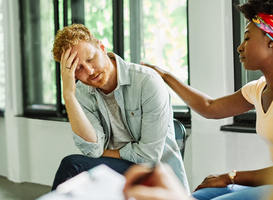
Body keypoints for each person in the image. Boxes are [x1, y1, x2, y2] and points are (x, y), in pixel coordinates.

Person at [140, 0, 273, 199]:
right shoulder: (257, 89)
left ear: (271, 41)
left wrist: (230, 177)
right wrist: (165, 76)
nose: (240, 48)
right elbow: (209, 107)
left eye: (247, 38)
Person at [50, 24, 189, 192]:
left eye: (90, 58)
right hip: (113, 170)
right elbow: (93, 150)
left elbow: (149, 157)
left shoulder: (147, 82)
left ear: (101, 47)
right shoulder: (79, 93)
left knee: (73, 165)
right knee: (75, 173)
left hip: (154, 175)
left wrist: (106, 152)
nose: (90, 70)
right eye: (78, 68)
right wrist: (68, 96)